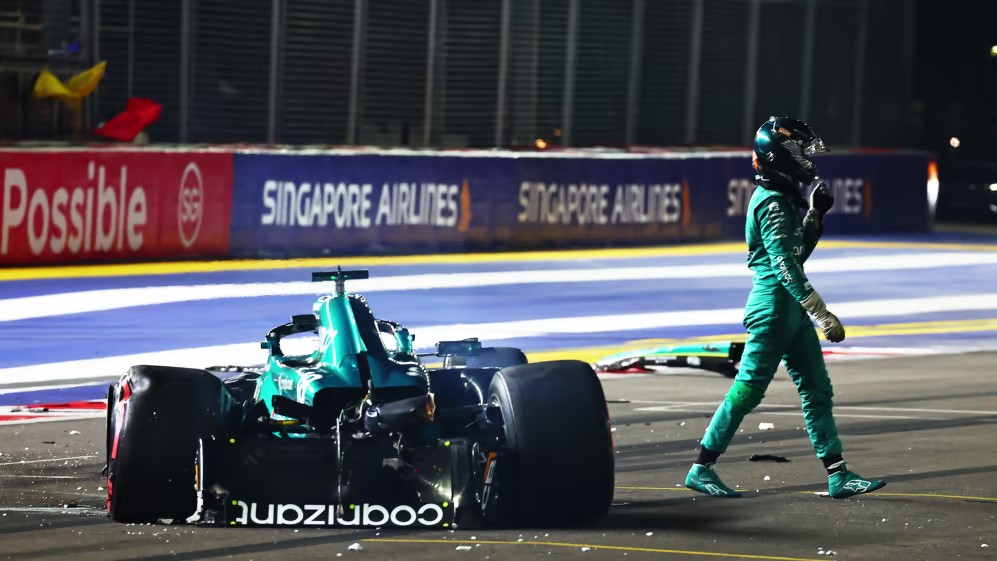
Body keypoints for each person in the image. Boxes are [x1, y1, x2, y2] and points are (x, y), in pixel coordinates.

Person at [684, 116, 886, 499]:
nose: (808, 160)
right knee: (749, 389)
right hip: (775, 308)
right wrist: (822, 314)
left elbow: (796, 253)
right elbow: (785, 265)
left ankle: (838, 474)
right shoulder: (772, 201)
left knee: (816, 389)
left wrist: (815, 216)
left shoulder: (782, 195)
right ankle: (701, 467)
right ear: (780, 156)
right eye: (800, 152)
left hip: (787, 308)